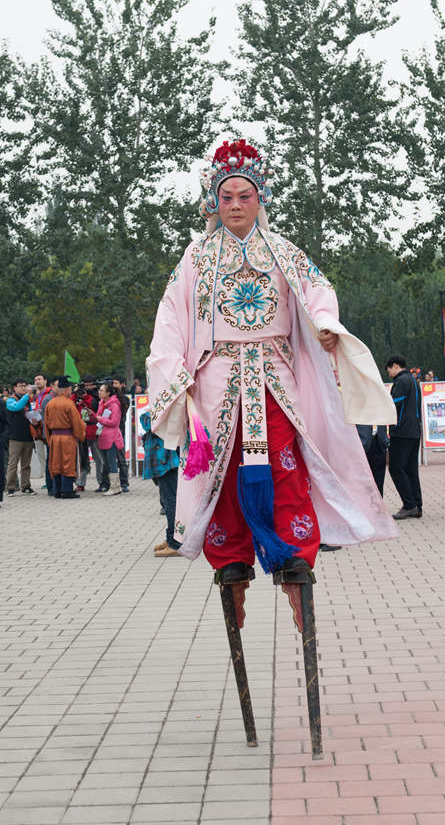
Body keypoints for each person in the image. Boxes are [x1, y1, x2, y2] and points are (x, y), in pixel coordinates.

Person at [146, 137, 396, 581]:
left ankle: (294, 548)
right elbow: (170, 317)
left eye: (245, 197)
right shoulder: (196, 258)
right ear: (214, 201)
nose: (236, 205)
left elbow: (318, 291)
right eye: (227, 197)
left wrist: (324, 324)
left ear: (260, 199)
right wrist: (174, 371)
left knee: (282, 457)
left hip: (273, 370)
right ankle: (231, 555)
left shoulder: (284, 251)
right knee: (223, 464)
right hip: (216, 376)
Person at [386, 354, 422, 520]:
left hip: (401, 431)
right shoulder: (413, 380)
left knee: (396, 467)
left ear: (394, 366)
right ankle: (417, 504)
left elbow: (394, 404)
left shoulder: (400, 381)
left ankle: (409, 504)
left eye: (388, 370)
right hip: (414, 431)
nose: (389, 374)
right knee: (410, 469)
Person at [140, 411, 181, 556]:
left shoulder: (165, 408)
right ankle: (172, 538)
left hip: (166, 459)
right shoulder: (166, 407)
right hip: (164, 459)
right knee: (168, 499)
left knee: (170, 501)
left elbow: (147, 422)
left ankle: (176, 543)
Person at [44, 377, 87, 499]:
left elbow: (46, 425)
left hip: (54, 438)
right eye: (70, 389)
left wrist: (49, 439)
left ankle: (57, 491)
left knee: (56, 463)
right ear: (67, 390)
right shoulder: (69, 404)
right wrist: (82, 429)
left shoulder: (50, 403)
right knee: (67, 463)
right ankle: (67, 491)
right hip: (68, 438)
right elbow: (76, 423)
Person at [88, 382, 124, 497]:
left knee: (112, 462)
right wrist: (93, 415)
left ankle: (115, 487)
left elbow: (114, 422)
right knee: (107, 463)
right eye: (99, 390)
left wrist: (100, 419)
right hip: (102, 436)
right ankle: (111, 485)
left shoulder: (114, 405)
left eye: (102, 390)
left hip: (111, 437)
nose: (99, 392)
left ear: (108, 393)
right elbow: (99, 418)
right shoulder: (101, 403)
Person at [5, 380, 36, 496]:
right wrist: (27, 395)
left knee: (26, 464)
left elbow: (30, 413)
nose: (23, 388)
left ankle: (26, 486)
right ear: (14, 388)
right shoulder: (10, 400)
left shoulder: (27, 400)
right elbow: (17, 407)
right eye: (20, 386)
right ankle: (10, 487)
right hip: (15, 437)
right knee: (13, 463)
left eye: (25, 386)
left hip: (27, 436)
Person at [357, 424, 389, 497]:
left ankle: (378, 506)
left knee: (379, 482)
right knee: (363, 481)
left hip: (380, 443)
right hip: (363, 444)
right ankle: (365, 506)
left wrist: (386, 440)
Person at [111, 377, 130, 492]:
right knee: (108, 458)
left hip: (120, 431)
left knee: (121, 458)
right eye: (112, 383)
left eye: (116, 383)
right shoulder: (108, 399)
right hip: (108, 432)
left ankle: (124, 482)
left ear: (122, 384)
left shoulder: (125, 399)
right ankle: (108, 482)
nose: (114, 385)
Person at [32, 372, 51, 480]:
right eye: (35, 380)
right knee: (40, 454)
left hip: (47, 428)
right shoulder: (34, 395)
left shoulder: (50, 393)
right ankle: (45, 477)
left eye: (39, 379)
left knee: (49, 454)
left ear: (45, 381)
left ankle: (50, 476)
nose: (37, 381)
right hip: (37, 428)